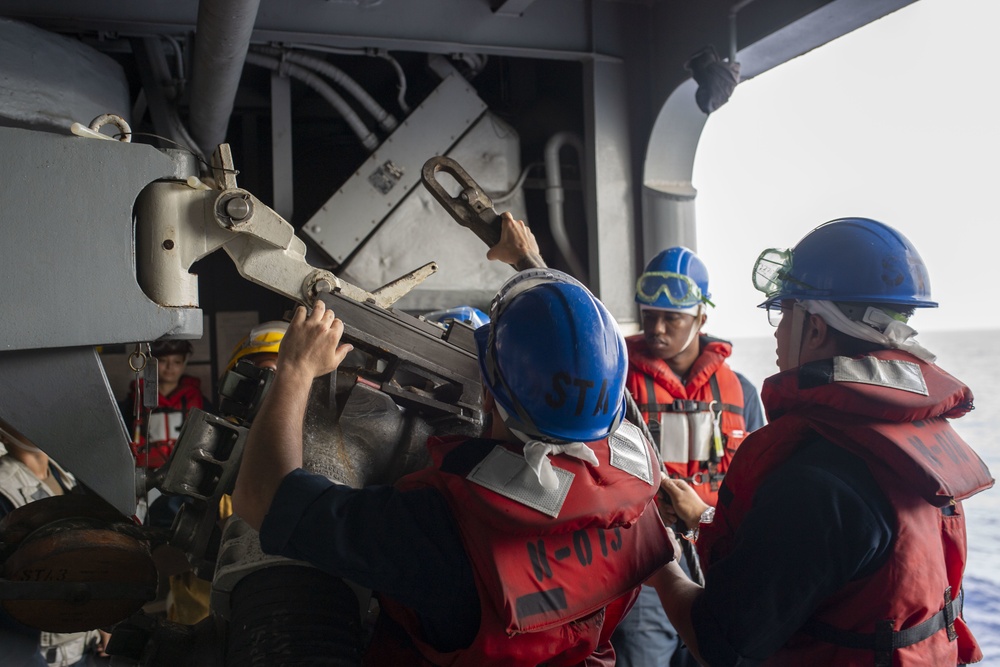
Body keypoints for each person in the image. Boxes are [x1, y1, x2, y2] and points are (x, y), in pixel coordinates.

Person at [231, 214, 674, 665]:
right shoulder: (636, 498)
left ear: (486, 387)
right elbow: (580, 351)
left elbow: (260, 497)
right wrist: (527, 261)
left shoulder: (439, 526)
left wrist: (295, 369)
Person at [649, 217, 993, 665]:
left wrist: (658, 565)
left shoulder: (814, 478)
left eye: (784, 312)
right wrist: (702, 518)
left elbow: (720, 643)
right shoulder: (913, 443)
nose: (775, 331)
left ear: (814, 327)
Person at [612, 246, 765, 666]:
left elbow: (756, 486)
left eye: (671, 318)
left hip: (718, 564)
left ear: (701, 318)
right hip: (645, 569)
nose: (656, 329)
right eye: (648, 316)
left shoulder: (743, 394)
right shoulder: (614, 384)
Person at [165, 320, 289, 626]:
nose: (274, 386)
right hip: (199, 617)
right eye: (265, 373)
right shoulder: (214, 448)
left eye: (287, 375)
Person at [0, 432, 110, 666]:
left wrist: (103, 624)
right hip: (36, 652)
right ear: (3, 432)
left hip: (83, 644)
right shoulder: (3, 489)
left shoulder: (66, 476)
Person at [120, 340, 212, 470]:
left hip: (185, 474)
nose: (170, 367)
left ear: (184, 363)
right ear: (151, 362)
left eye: (177, 362)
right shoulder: (134, 402)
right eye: (163, 361)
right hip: (146, 475)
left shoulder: (200, 402)